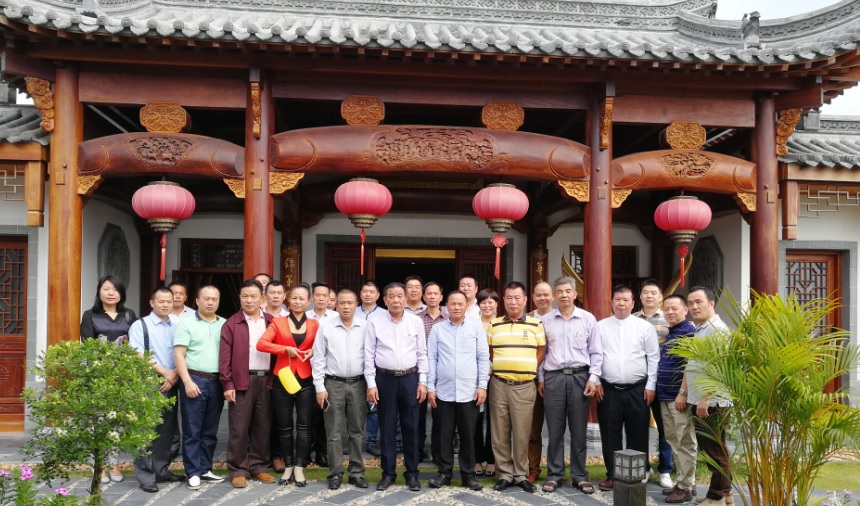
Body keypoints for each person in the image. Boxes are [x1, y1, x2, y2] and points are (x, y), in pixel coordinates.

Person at [537, 277, 601, 494]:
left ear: (575, 294)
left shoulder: (587, 319)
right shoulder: (545, 321)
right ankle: (555, 475)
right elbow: (541, 352)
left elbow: (596, 351)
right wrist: (541, 379)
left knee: (578, 430)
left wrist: (593, 378)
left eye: (567, 291)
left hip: (580, 378)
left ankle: (579, 475)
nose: (564, 295)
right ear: (554, 296)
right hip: (553, 378)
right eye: (559, 291)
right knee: (554, 431)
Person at [595, 285, 659, 491]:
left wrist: (650, 385)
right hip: (608, 389)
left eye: (625, 300)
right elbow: (595, 356)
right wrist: (596, 381)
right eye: (617, 299)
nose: (621, 303)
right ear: (612, 302)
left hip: (638, 389)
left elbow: (653, 358)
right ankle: (613, 475)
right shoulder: (600, 327)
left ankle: (637, 474)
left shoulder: (644, 327)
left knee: (638, 433)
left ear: (633, 303)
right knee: (609, 433)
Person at [365, 282, 427, 491]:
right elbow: (369, 354)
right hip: (385, 379)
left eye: (400, 296)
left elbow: (422, 353)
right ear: (385, 300)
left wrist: (422, 381)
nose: (396, 300)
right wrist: (371, 384)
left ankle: (412, 474)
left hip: (410, 378)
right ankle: (388, 473)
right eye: (391, 296)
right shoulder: (374, 322)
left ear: (406, 298)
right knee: (387, 427)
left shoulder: (415, 321)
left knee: (411, 427)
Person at [256, 284, 319, 487]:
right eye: (294, 298)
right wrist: (284, 349)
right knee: (284, 426)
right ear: (288, 300)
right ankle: (288, 466)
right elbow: (261, 344)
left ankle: (299, 468)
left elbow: (323, 347)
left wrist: (313, 351)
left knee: (304, 426)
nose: (298, 302)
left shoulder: (315, 324)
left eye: (302, 299)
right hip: (282, 379)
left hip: (306, 379)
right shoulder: (278, 322)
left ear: (308, 302)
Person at [427, 290, 489, 491]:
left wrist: (482, 386)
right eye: (452, 303)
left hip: (469, 392)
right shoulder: (437, 329)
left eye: (460, 304)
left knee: (468, 436)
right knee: (444, 436)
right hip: (443, 392)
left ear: (466, 306)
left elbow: (483, 358)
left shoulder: (476, 328)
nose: (456, 307)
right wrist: (431, 387)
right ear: (446, 306)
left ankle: (468, 475)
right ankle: (444, 473)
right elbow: (431, 359)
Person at [487, 281, 545, 493]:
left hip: (524, 386)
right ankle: (504, 474)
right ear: (503, 300)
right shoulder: (494, 325)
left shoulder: (535, 324)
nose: (513, 302)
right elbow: (490, 351)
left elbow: (541, 350)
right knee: (499, 432)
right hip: (499, 384)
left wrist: (529, 368)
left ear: (525, 300)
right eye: (509, 298)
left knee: (522, 433)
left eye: (517, 298)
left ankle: (521, 474)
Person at [219, 279, 277, 488]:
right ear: (240, 298)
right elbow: (224, 358)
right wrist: (227, 384)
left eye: (253, 296)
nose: (249, 300)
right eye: (245, 296)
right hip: (242, 380)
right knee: (239, 428)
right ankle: (238, 469)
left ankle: (259, 466)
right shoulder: (232, 323)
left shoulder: (271, 321)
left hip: (267, 380)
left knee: (263, 426)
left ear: (262, 298)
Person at [80, 274, 137, 483]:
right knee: (98, 421)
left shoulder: (129, 315)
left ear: (121, 293)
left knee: (117, 421)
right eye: (106, 288)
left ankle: (114, 463)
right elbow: (87, 345)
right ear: (99, 292)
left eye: (115, 289)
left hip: (122, 375)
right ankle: (100, 465)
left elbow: (135, 344)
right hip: (98, 376)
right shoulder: (90, 315)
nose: (110, 293)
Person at [312, 289, 370, 490]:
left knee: (357, 431)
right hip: (333, 384)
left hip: (358, 384)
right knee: (334, 431)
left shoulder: (365, 326)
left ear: (356, 305)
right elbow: (318, 358)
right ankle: (335, 472)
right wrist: (319, 386)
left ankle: (357, 473)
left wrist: (371, 384)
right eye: (342, 303)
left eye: (350, 303)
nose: (346, 306)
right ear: (335, 304)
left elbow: (370, 356)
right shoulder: (326, 327)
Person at [129, 287, 184, 493]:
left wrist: (174, 375)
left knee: (166, 430)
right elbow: (138, 354)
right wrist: (165, 373)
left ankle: (161, 470)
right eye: (161, 301)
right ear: (152, 303)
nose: (166, 305)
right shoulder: (140, 325)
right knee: (146, 431)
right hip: (149, 381)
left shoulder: (177, 326)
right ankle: (145, 476)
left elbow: (183, 353)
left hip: (172, 380)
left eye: (169, 301)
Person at [173, 285, 227, 491]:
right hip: (195, 378)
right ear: (197, 301)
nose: (210, 302)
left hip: (216, 381)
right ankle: (193, 472)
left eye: (214, 299)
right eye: (206, 298)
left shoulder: (224, 324)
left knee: (210, 429)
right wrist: (187, 381)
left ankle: (205, 468)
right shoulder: (186, 324)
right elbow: (179, 355)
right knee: (192, 430)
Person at [683, 286, 732, 506]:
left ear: (711, 303)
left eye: (698, 302)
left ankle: (716, 497)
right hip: (702, 398)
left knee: (714, 451)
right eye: (690, 303)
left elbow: (719, 366)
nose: (694, 307)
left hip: (712, 401)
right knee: (713, 448)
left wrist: (705, 398)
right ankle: (725, 493)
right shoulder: (702, 328)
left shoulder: (717, 329)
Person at [634, 279, 674, 489]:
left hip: (663, 381)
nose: (649, 296)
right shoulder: (632, 319)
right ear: (640, 296)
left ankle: (665, 469)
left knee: (665, 427)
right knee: (639, 426)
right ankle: (644, 468)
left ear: (660, 297)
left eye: (653, 293)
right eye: (645, 292)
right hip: (638, 381)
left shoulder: (669, 319)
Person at [657, 294, 698, 503]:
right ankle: (683, 481)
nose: (670, 312)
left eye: (675, 308)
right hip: (665, 395)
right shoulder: (672, 332)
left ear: (685, 310)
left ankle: (686, 486)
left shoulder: (689, 332)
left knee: (685, 441)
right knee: (673, 440)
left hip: (678, 397)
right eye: (667, 309)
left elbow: (690, 366)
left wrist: (683, 393)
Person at [527, 281, 553, 483]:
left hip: (555, 378)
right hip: (532, 379)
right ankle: (532, 468)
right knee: (532, 429)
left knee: (556, 429)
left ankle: (556, 470)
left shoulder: (560, 317)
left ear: (552, 296)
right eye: (539, 295)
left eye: (546, 294)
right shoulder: (526, 319)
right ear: (533, 297)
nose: (542, 298)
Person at [417, 281, 447, 464]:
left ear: (441, 297)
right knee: (417, 415)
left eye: (436, 293)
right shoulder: (416, 319)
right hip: (419, 372)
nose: (432, 296)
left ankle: (437, 453)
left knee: (440, 416)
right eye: (429, 293)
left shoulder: (448, 319)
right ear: (424, 297)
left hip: (441, 372)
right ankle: (418, 451)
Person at [308, 282, 335, 466]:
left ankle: (322, 452)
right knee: (309, 414)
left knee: (326, 414)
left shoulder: (335, 317)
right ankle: (306, 451)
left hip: (329, 373)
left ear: (329, 298)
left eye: (324, 295)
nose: (321, 298)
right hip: (307, 372)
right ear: (312, 297)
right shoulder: (305, 316)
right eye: (317, 295)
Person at [355, 280, 383, 457]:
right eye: (365, 291)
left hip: (375, 367)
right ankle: (354, 441)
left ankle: (372, 441)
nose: (368, 294)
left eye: (372, 292)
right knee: (356, 406)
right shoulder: (352, 312)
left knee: (374, 406)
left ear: (378, 296)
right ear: (360, 294)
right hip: (356, 365)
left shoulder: (384, 314)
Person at [473, 289, 499, 478]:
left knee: (494, 419)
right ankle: (476, 459)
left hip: (497, 376)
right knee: (475, 418)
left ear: (497, 304)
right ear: (478, 304)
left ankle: (491, 459)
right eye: (483, 302)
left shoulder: (501, 324)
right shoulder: (472, 323)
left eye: (491, 302)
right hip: (474, 377)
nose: (487, 305)